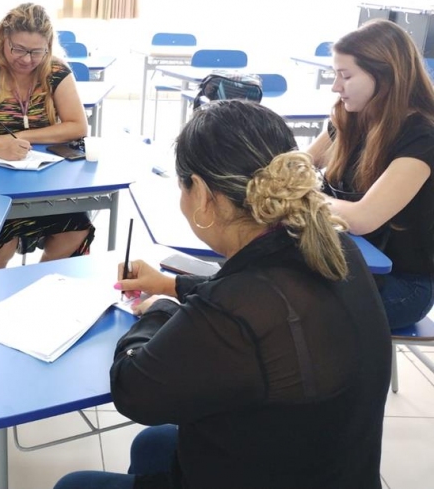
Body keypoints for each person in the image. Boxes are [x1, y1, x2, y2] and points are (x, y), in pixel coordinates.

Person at [55, 100, 392, 489]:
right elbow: (260, 300)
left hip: (276, 468)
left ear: (200, 193)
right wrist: (172, 285)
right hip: (331, 466)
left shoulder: (234, 310)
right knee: (155, 444)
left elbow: (134, 392)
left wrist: (159, 310)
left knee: (74, 483)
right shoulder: (330, 245)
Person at [0, 3, 94, 300]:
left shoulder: (55, 71)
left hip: (41, 180)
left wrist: (20, 136)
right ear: (3, 39)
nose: (27, 60)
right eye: (19, 49)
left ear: (48, 47)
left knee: (76, 227)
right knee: (2, 240)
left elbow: (78, 125)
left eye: (36, 52)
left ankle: (35, 296)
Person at [307, 19, 434, 330]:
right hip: (345, 260)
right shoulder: (350, 116)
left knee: (290, 309)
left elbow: (363, 219)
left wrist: (303, 194)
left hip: (402, 285)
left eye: (345, 76)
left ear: (385, 76)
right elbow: (302, 162)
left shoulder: (422, 137)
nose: (336, 87)